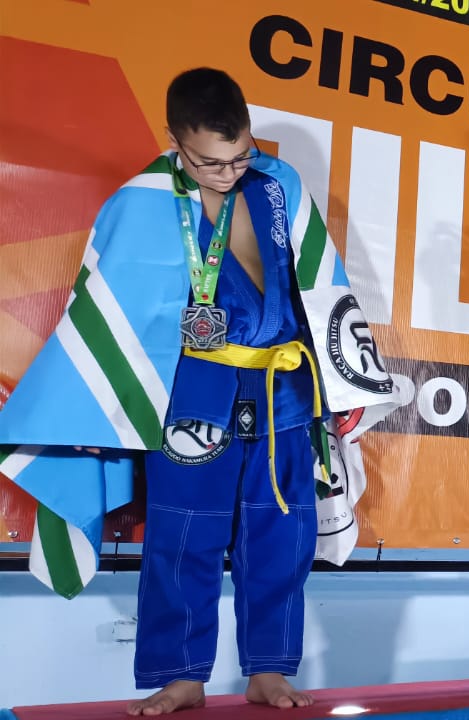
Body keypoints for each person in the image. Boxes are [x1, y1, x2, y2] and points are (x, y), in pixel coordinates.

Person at [0, 67, 400, 714]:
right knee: (182, 536)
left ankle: (270, 669)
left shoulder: (279, 184)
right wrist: (94, 411)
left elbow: (320, 285)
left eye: (240, 154)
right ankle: (181, 675)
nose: (229, 172)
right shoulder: (142, 200)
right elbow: (108, 313)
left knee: (283, 534)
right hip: (194, 389)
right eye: (211, 162)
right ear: (175, 141)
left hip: (281, 387)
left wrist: (343, 382)